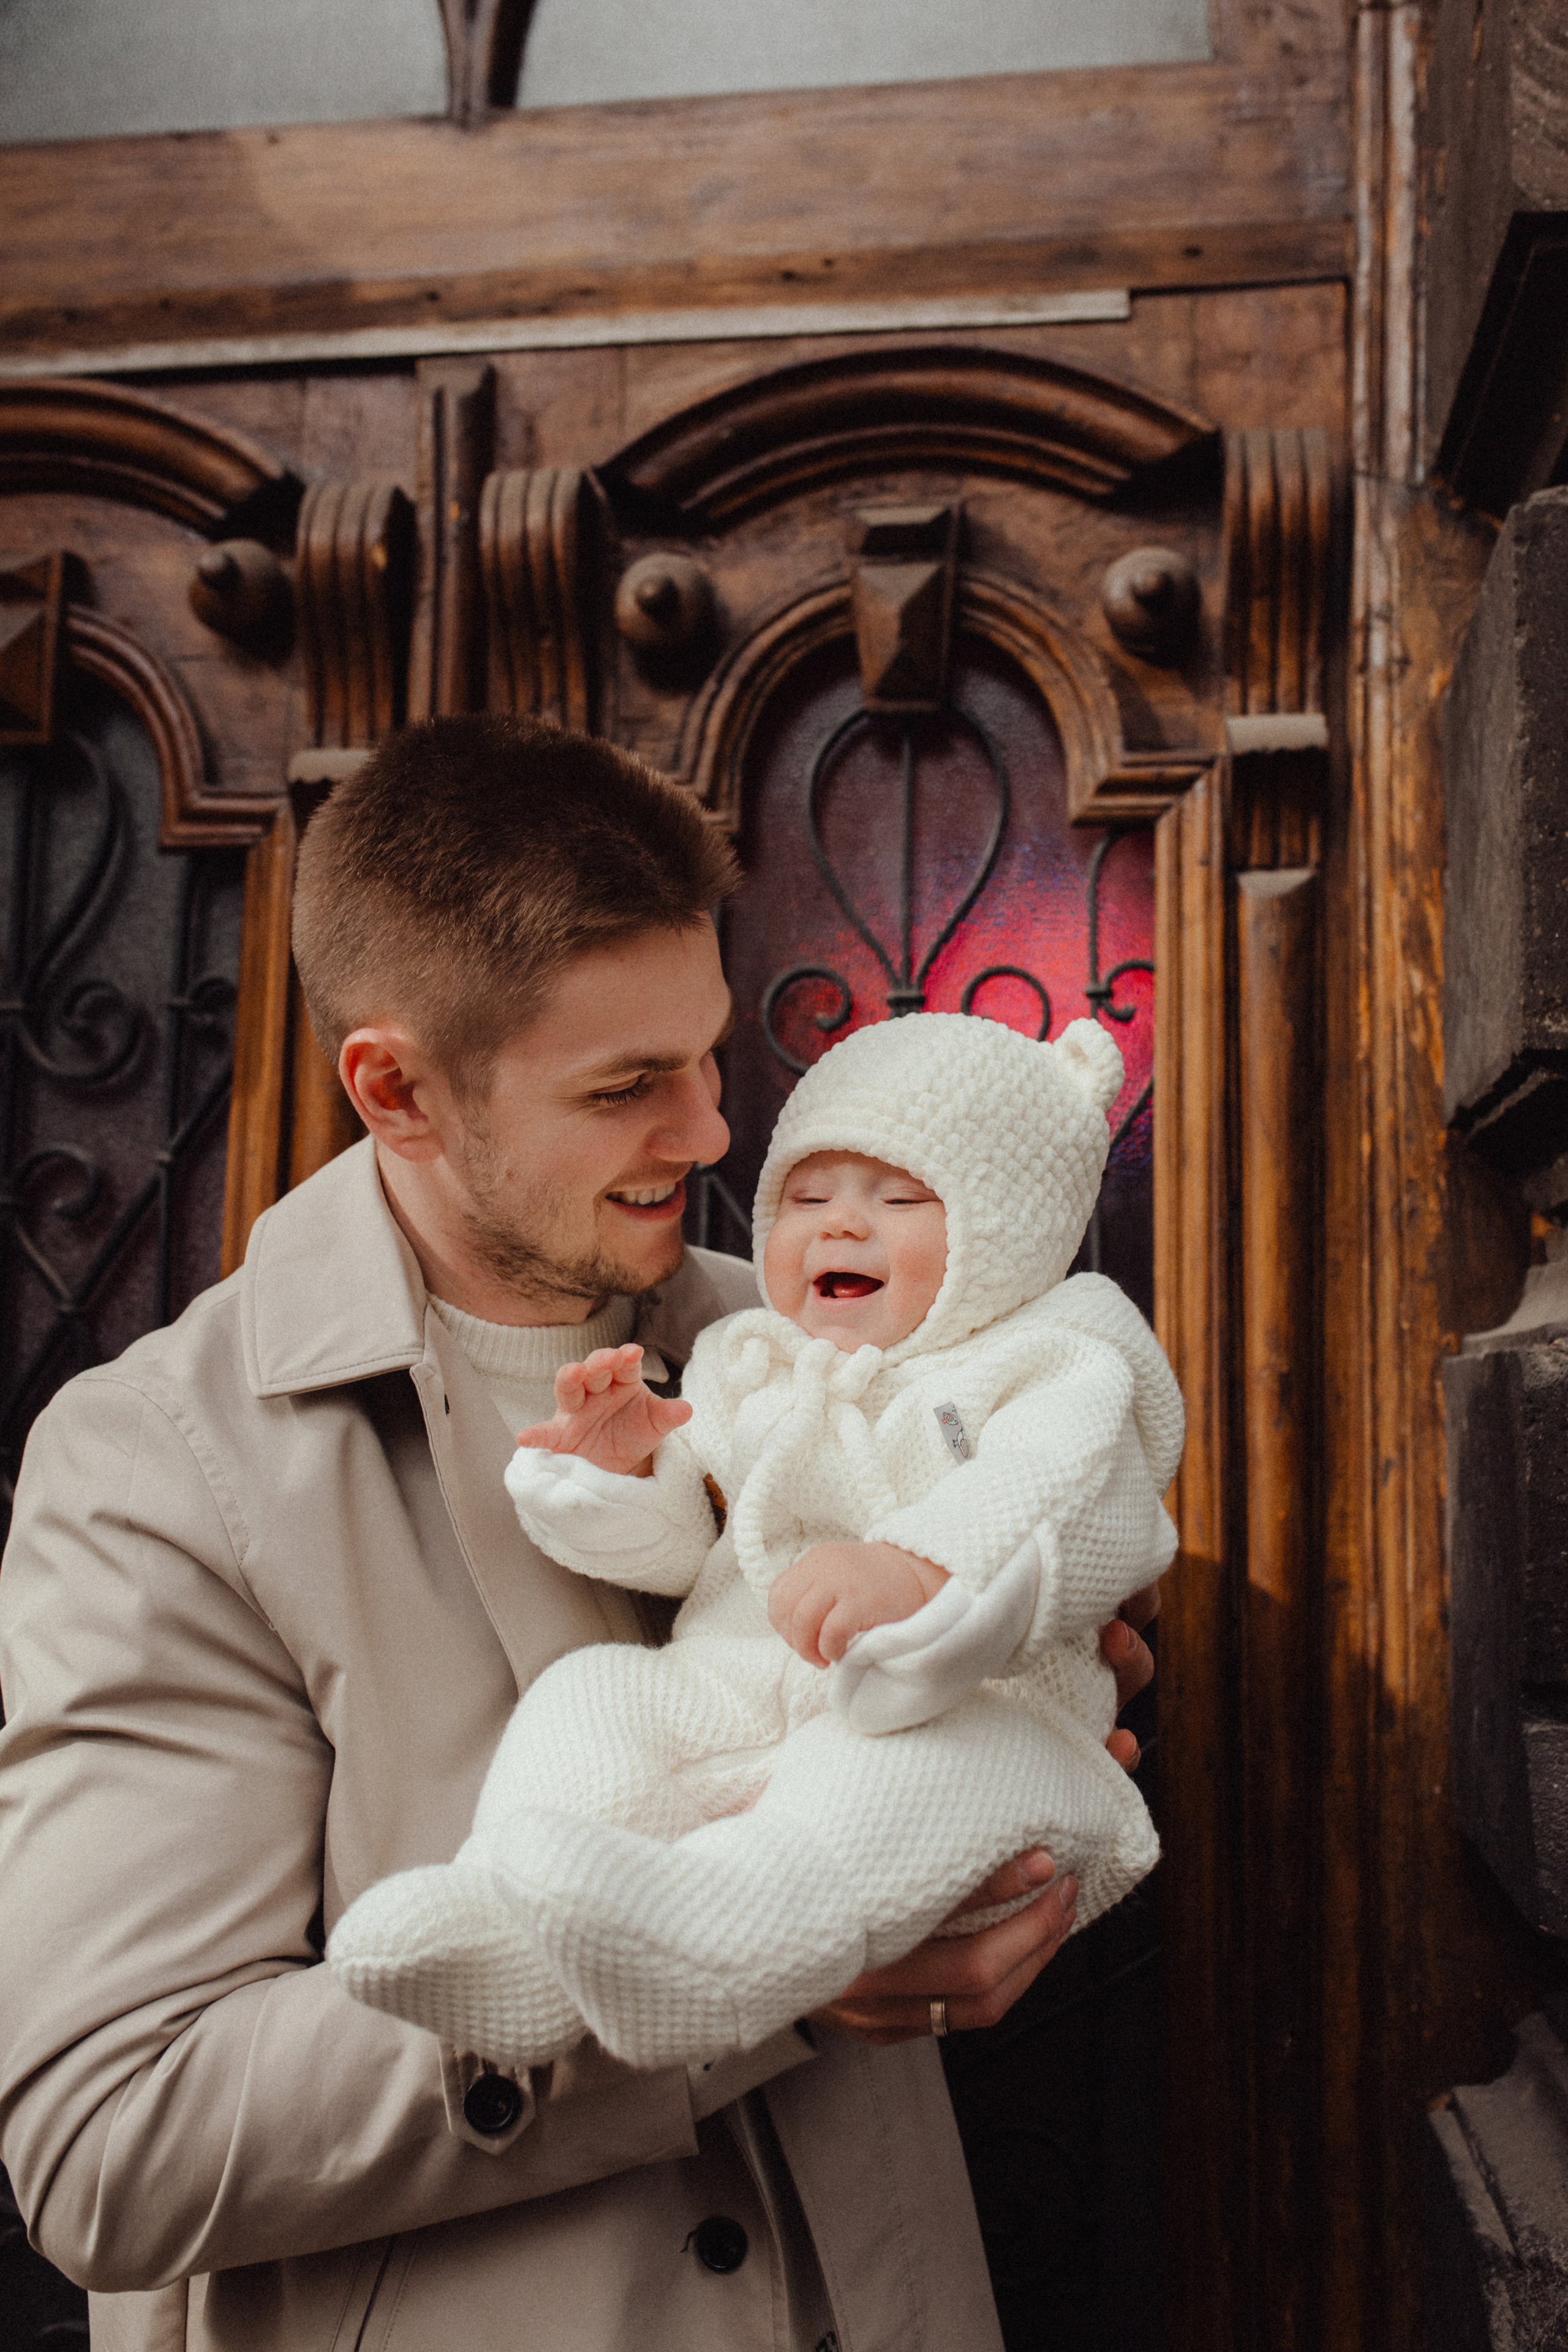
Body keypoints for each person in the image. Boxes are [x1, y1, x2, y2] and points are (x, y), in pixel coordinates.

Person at [0, 716, 1160, 2352]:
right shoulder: (159, 1464)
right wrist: (734, 1981)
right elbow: (113, 2147)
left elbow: (1040, 1528)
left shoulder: (814, 1340)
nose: (709, 1136)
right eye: (625, 1088)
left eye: (707, 1058)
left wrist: (1020, 1688)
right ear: (396, 1089)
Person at [329, 1010, 1182, 2076]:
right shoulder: (753, 1359)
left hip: (978, 1717)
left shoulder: (1061, 1361)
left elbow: (1066, 1491)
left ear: (1005, 1230)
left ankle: (729, 1944)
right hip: (741, 1686)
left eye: (900, 1199)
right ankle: (510, 1922)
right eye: (808, 1198)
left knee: (890, 1782)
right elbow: (695, 1534)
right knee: (596, 1695)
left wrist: (919, 1568)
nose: (839, 1226)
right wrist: (622, 1474)